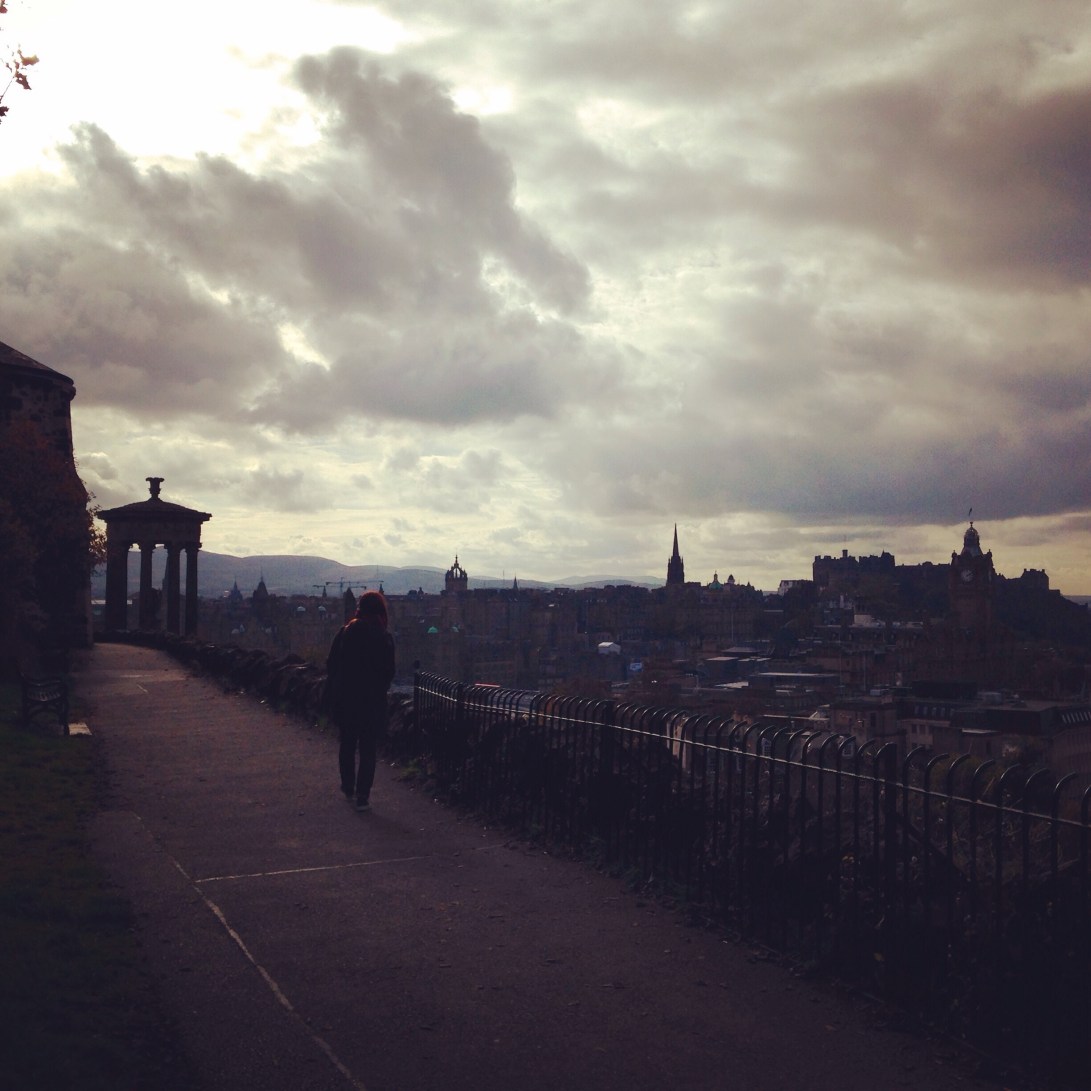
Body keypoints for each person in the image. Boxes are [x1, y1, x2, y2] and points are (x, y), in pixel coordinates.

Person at [324, 590, 395, 812]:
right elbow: (389, 672)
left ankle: (348, 787)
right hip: (372, 701)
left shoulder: (345, 632)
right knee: (367, 748)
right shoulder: (383, 637)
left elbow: (331, 664)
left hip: (347, 698)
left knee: (347, 743)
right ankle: (363, 796)